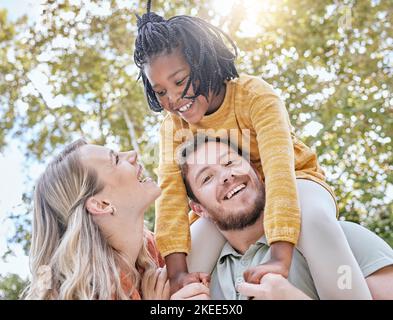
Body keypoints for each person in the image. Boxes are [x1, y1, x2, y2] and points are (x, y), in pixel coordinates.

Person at [133, 0, 372, 298]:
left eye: (179, 81)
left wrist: (279, 255)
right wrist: (179, 272)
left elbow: (279, 170)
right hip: (230, 202)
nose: (172, 99)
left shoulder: (255, 95)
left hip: (294, 179)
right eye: (160, 92)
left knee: (314, 222)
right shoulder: (172, 126)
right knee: (178, 269)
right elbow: (170, 196)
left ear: (202, 63)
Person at [178, 134, 393, 299]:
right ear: (198, 209)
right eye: (207, 178)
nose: (226, 175)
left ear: (257, 171)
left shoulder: (345, 239)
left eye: (229, 162)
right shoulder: (199, 283)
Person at [24, 139, 209, 300]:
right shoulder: (87, 292)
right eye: (116, 160)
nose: (132, 154)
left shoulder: (154, 251)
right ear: (102, 204)